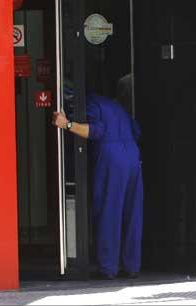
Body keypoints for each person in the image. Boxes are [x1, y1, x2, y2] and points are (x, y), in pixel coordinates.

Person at [52, 92, 143, 280]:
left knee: (109, 211)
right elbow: (136, 130)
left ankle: (108, 268)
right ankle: (131, 265)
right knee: (132, 213)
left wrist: (67, 124)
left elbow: (96, 131)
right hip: (133, 156)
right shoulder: (118, 106)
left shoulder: (91, 103)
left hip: (112, 157)